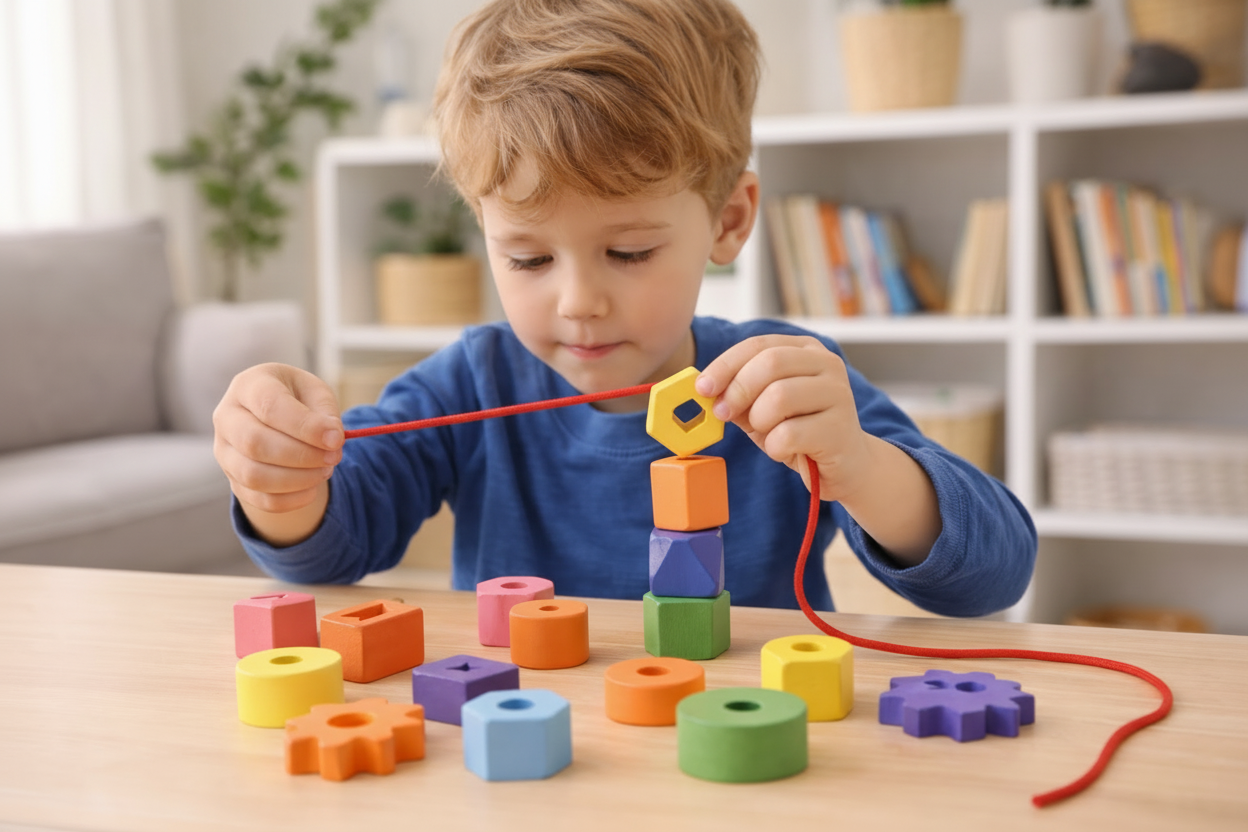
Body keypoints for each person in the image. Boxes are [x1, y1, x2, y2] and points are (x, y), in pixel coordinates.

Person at [212, 0, 1035, 615]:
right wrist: (280, 487)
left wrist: (857, 463)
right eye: (527, 257)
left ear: (728, 220)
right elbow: (332, 551)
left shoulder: (777, 382)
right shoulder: (470, 383)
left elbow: (996, 573)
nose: (578, 302)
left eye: (629, 252)